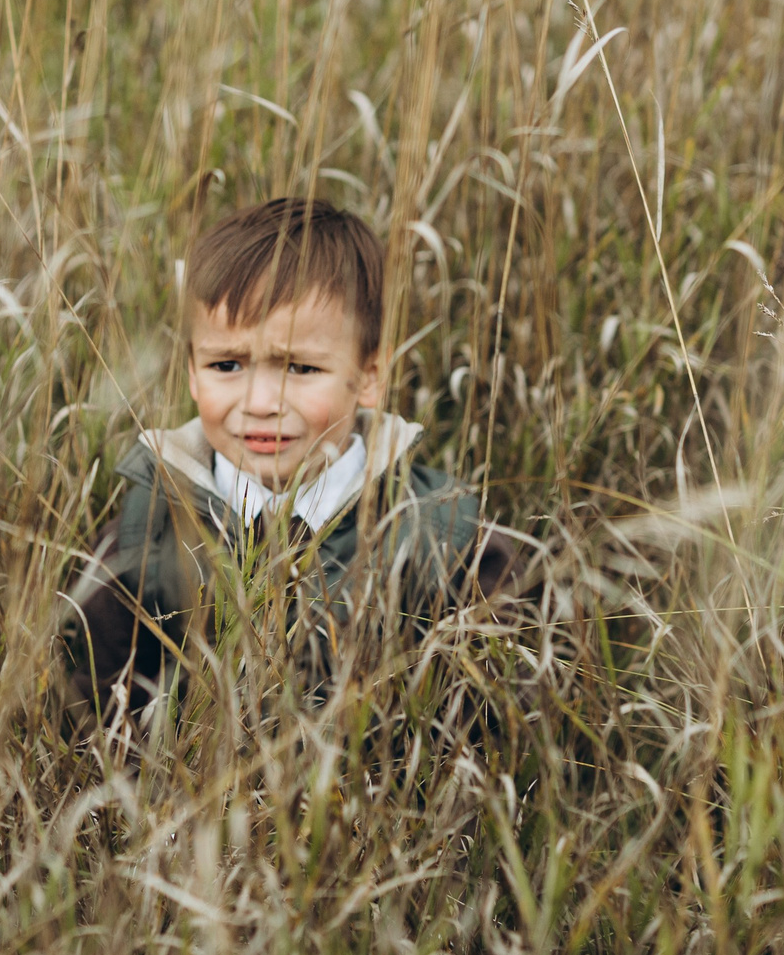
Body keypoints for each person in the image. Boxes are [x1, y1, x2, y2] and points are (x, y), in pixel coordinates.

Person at [63, 197, 532, 724]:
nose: (261, 402)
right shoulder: (145, 533)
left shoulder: (446, 535)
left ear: (370, 375)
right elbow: (93, 716)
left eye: (301, 369)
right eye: (226, 364)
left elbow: (501, 720)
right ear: (192, 372)